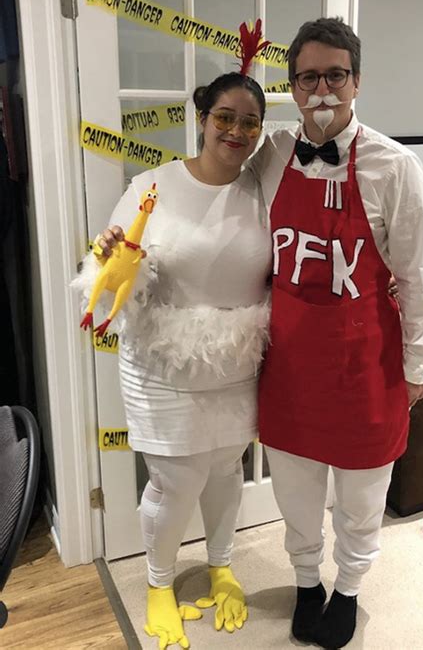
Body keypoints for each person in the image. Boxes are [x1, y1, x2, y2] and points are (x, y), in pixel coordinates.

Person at [249, 17, 423, 649]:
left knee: (360, 501)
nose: (323, 88)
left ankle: (350, 588)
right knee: (297, 492)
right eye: (309, 77)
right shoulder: (272, 153)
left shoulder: (395, 166)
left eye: (336, 74)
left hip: (368, 367)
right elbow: (213, 172)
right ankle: (308, 581)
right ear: (294, 87)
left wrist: (418, 367)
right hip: (288, 368)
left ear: (357, 81)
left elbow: (417, 278)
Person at [76, 70, 272, 650]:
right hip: (164, 365)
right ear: (202, 117)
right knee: (175, 479)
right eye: (224, 117)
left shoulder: (263, 190)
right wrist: (109, 259)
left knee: (224, 470)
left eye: (249, 121)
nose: (235, 130)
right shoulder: (151, 187)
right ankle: (158, 584)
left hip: (237, 364)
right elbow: (110, 280)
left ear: (261, 130)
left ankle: (221, 564)